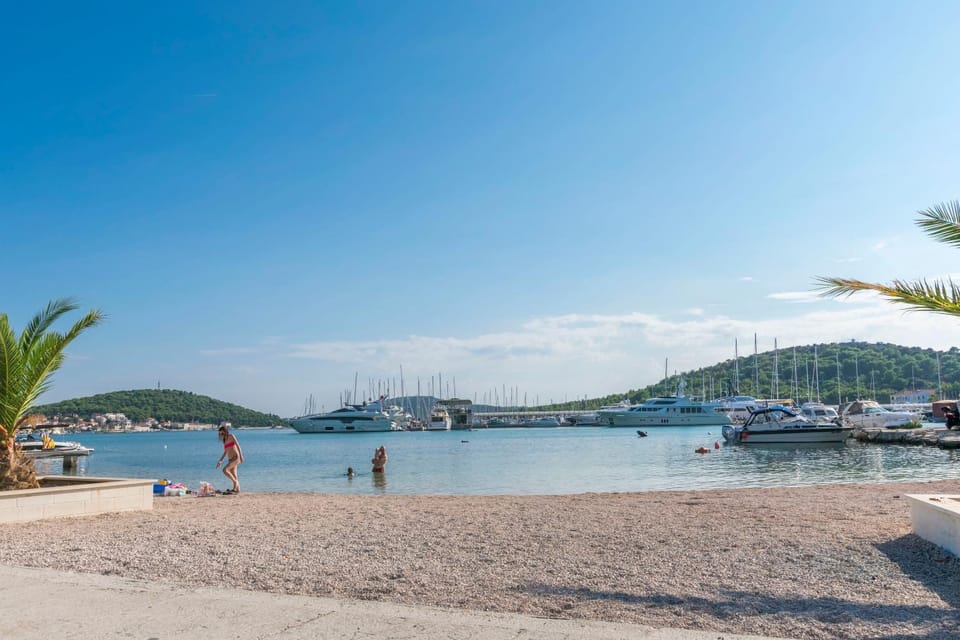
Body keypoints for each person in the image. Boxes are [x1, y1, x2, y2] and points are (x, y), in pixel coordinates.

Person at [216, 425, 244, 494]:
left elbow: (238, 445)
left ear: (225, 431)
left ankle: (235, 482)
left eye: (222, 433)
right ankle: (237, 489)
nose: (221, 435)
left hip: (236, 457)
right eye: (220, 434)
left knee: (225, 470)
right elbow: (225, 452)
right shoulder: (224, 440)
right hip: (230, 459)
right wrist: (220, 461)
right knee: (234, 475)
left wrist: (241, 456)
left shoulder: (231, 436)